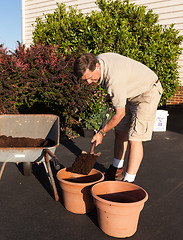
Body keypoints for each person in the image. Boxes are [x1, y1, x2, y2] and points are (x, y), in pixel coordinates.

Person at [73, 52, 163, 183]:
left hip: (147, 92)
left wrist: (101, 133)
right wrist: (114, 95)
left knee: (134, 139)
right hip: (129, 93)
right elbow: (119, 84)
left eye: (91, 77)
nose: (88, 82)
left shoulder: (114, 81)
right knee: (120, 132)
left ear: (97, 66)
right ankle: (117, 170)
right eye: (85, 79)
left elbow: (119, 114)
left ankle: (128, 182)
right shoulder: (97, 61)